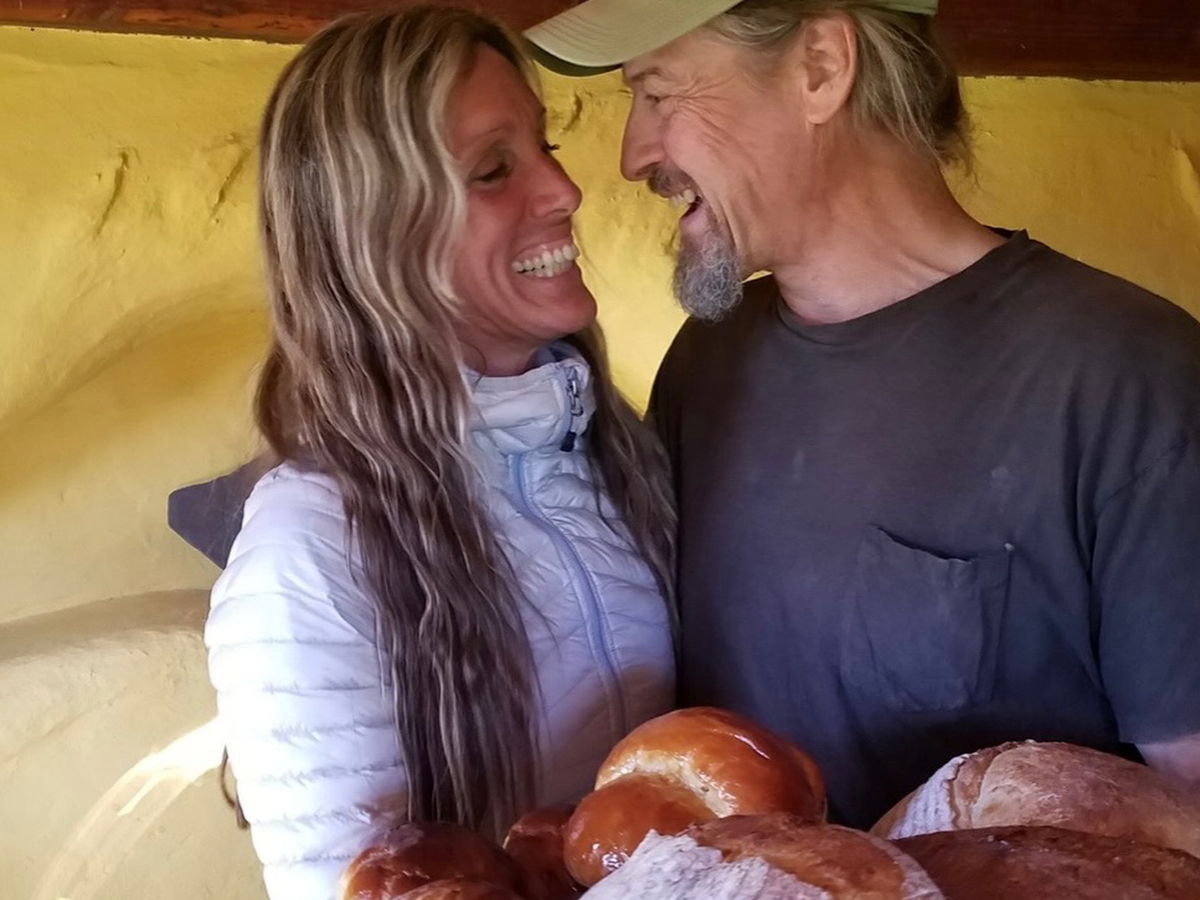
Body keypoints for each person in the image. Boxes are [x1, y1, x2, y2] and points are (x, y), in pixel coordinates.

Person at [526, 0, 1200, 828]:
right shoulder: (709, 359)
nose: (634, 154)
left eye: (660, 93)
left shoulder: (1130, 377)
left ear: (821, 67)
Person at [204, 9, 676, 900]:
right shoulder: (309, 546)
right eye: (494, 169)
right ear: (375, 237)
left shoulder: (617, 454)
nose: (564, 190)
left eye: (544, 146)